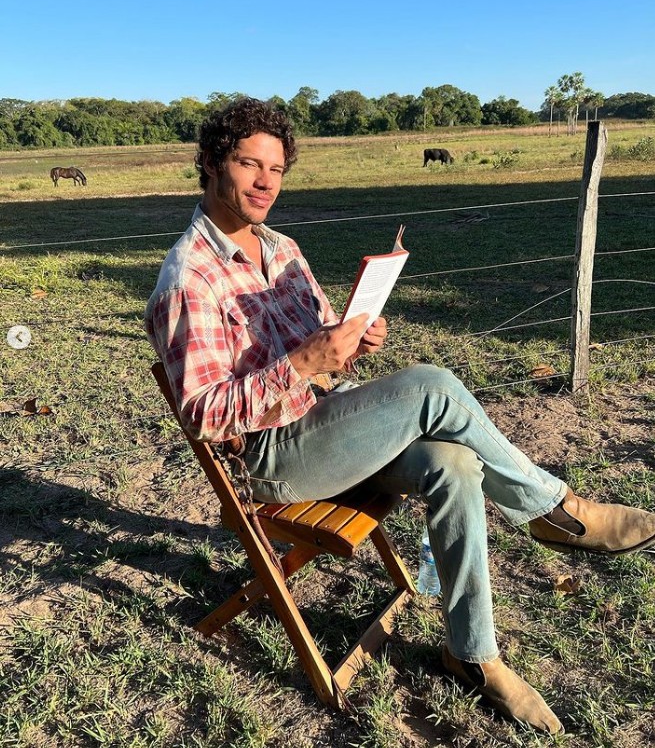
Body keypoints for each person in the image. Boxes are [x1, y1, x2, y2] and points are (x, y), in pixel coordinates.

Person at [144, 97, 655, 735]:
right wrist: (302, 364)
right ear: (211, 164)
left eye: (276, 168)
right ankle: (558, 512)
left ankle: (473, 654)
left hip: (327, 428)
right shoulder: (189, 276)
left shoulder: (283, 249)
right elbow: (206, 415)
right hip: (273, 460)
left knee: (455, 462)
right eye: (249, 163)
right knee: (432, 386)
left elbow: (326, 355)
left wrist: (347, 343)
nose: (265, 181)